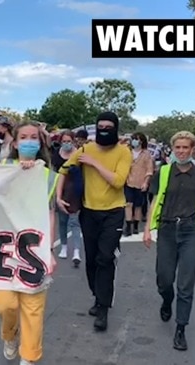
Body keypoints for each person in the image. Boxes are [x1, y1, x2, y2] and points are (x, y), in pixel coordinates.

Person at [56, 111, 132, 331]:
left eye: (109, 127)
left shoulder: (123, 152)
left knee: (105, 258)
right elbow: (64, 170)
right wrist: (59, 196)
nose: (104, 130)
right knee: (91, 260)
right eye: (101, 127)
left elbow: (118, 181)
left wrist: (94, 163)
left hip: (113, 212)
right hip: (89, 213)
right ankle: (98, 297)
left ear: (115, 129)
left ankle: (104, 309)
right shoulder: (85, 149)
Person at [143, 131, 195, 352]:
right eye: (178, 148)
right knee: (164, 280)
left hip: (190, 231)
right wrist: (147, 229)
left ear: (192, 149)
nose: (182, 151)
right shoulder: (164, 172)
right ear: (173, 149)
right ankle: (167, 301)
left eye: (186, 148)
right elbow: (155, 201)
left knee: (186, 283)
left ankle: (180, 329)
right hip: (166, 230)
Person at [0, 121, 58, 365]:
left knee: (32, 307)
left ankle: (29, 357)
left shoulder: (48, 176)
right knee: (5, 304)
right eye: (24, 137)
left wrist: (48, 250)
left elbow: (50, 213)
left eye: (34, 137)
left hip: (33, 248)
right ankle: (10, 335)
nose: (29, 141)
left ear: (40, 143)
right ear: (15, 143)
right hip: (4, 248)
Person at [51, 130, 82, 266]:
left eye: (69, 141)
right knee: (62, 221)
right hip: (60, 190)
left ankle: (76, 251)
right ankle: (63, 246)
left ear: (73, 141)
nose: (66, 144)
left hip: (74, 191)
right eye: (64, 141)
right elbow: (53, 172)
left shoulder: (79, 154)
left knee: (74, 222)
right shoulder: (56, 155)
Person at [124, 132, 154, 236]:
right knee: (128, 204)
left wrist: (146, 182)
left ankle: (136, 225)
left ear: (141, 141)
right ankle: (128, 226)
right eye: (133, 139)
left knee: (138, 206)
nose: (134, 141)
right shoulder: (127, 152)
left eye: (137, 139)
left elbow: (149, 170)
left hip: (141, 183)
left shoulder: (146, 154)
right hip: (128, 182)